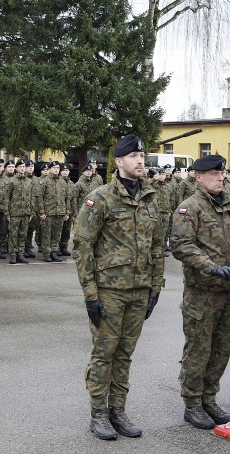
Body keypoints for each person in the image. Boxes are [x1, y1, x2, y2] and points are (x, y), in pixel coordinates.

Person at [73, 134, 165, 441]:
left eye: (143, 155)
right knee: (104, 354)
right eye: (135, 156)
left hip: (139, 291)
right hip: (109, 291)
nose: (141, 160)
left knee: (125, 354)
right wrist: (90, 295)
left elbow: (156, 247)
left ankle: (118, 410)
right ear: (119, 162)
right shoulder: (99, 198)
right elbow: (82, 246)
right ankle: (98, 413)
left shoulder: (151, 197)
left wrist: (156, 287)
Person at [170, 154, 230, 429]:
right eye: (213, 173)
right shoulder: (190, 208)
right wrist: (211, 267)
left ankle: (209, 398)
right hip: (202, 291)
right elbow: (182, 246)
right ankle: (192, 403)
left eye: (222, 173)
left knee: (221, 349)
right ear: (198, 177)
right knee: (199, 349)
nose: (220, 177)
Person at [40, 161, 70, 263]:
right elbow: (39, 198)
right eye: (54, 168)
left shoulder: (62, 182)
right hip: (48, 212)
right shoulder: (45, 181)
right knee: (47, 234)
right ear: (50, 169)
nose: (56, 169)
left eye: (57, 168)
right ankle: (46, 253)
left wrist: (67, 212)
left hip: (60, 212)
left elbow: (67, 198)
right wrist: (41, 212)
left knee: (57, 234)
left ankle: (54, 252)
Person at [4, 160, 33, 264]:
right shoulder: (12, 181)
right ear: (16, 168)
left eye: (23, 166)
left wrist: (31, 212)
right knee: (13, 234)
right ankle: (12, 254)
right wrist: (7, 213)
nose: (22, 168)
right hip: (14, 213)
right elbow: (7, 198)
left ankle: (20, 254)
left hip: (25, 213)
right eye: (20, 166)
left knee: (23, 234)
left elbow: (31, 197)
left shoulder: (29, 182)